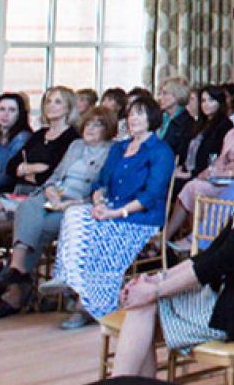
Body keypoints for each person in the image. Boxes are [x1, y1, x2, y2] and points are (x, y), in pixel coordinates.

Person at [110, 117, 234, 377]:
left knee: (144, 306)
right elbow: (212, 253)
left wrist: (155, 291)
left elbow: (220, 261)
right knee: (144, 306)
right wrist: (158, 280)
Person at [50, 94, 175, 329]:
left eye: (139, 113)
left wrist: (117, 214)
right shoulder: (119, 148)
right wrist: (98, 203)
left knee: (101, 231)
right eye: (130, 113)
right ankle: (70, 276)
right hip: (111, 209)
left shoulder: (161, 151)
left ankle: (84, 302)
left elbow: (151, 195)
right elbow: (100, 182)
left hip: (140, 217)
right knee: (74, 213)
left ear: (152, 117)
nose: (133, 118)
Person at [0, 105, 118, 319]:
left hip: (78, 204)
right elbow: (55, 175)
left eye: (98, 125)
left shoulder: (113, 151)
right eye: (89, 123)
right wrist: (51, 192)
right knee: (28, 206)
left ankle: (17, 288)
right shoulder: (76, 145)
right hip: (54, 195)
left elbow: (105, 189)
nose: (91, 128)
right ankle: (18, 268)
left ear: (108, 129)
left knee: (36, 226)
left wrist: (73, 203)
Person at [167, 87, 234, 241]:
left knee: (198, 188)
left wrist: (224, 173)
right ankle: (173, 236)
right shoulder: (232, 134)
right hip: (224, 177)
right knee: (193, 185)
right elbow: (221, 158)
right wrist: (211, 171)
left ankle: (202, 239)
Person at [157, 76, 194, 166]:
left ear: (178, 95)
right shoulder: (158, 117)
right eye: (160, 93)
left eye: (165, 93)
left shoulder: (188, 123)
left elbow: (180, 155)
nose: (160, 98)